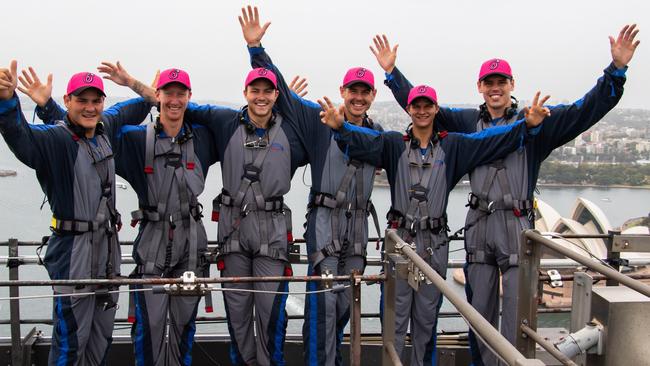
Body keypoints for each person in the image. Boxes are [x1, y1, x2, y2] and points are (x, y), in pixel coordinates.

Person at [369, 25, 639, 365]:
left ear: (512, 86)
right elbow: (422, 108)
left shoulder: (536, 121)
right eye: (489, 83)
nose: (495, 89)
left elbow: (586, 110)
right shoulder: (466, 122)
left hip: (515, 226)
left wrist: (615, 72)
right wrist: (391, 73)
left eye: (502, 83)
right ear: (481, 88)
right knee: (479, 314)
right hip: (480, 223)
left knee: (514, 318)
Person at [319, 83, 549, 365]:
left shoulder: (453, 146)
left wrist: (525, 126)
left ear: (436, 110)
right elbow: (363, 143)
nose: (422, 111)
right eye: (417, 106)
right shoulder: (394, 144)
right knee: (394, 321)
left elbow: (490, 139)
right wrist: (341, 129)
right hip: (399, 243)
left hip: (434, 243)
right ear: (409, 109)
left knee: (426, 324)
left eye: (428, 106)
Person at [29, 65, 220, 366]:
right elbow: (82, 134)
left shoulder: (205, 137)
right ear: (157, 96)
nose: (174, 100)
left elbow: (241, 126)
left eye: (180, 94)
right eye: (167, 93)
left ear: (189, 97)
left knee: (184, 328)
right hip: (150, 247)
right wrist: (47, 108)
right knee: (147, 329)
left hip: (192, 247)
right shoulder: (134, 139)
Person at [237, 7, 385, 364]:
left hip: (358, 232)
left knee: (346, 305)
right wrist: (257, 48)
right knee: (323, 308)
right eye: (353, 90)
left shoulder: (380, 136)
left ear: (373, 95)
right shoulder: (319, 122)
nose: (358, 97)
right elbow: (282, 95)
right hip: (325, 225)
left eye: (365, 91)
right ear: (342, 91)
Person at [0, 61, 151, 365]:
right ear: (67, 101)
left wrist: (130, 80)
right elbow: (22, 139)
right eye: (82, 100)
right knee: (71, 343)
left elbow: (149, 100)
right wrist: (7, 101)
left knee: (100, 338)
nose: (90, 107)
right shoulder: (55, 140)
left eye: (96, 100)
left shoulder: (107, 125)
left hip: (106, 253)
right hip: (74, 254)